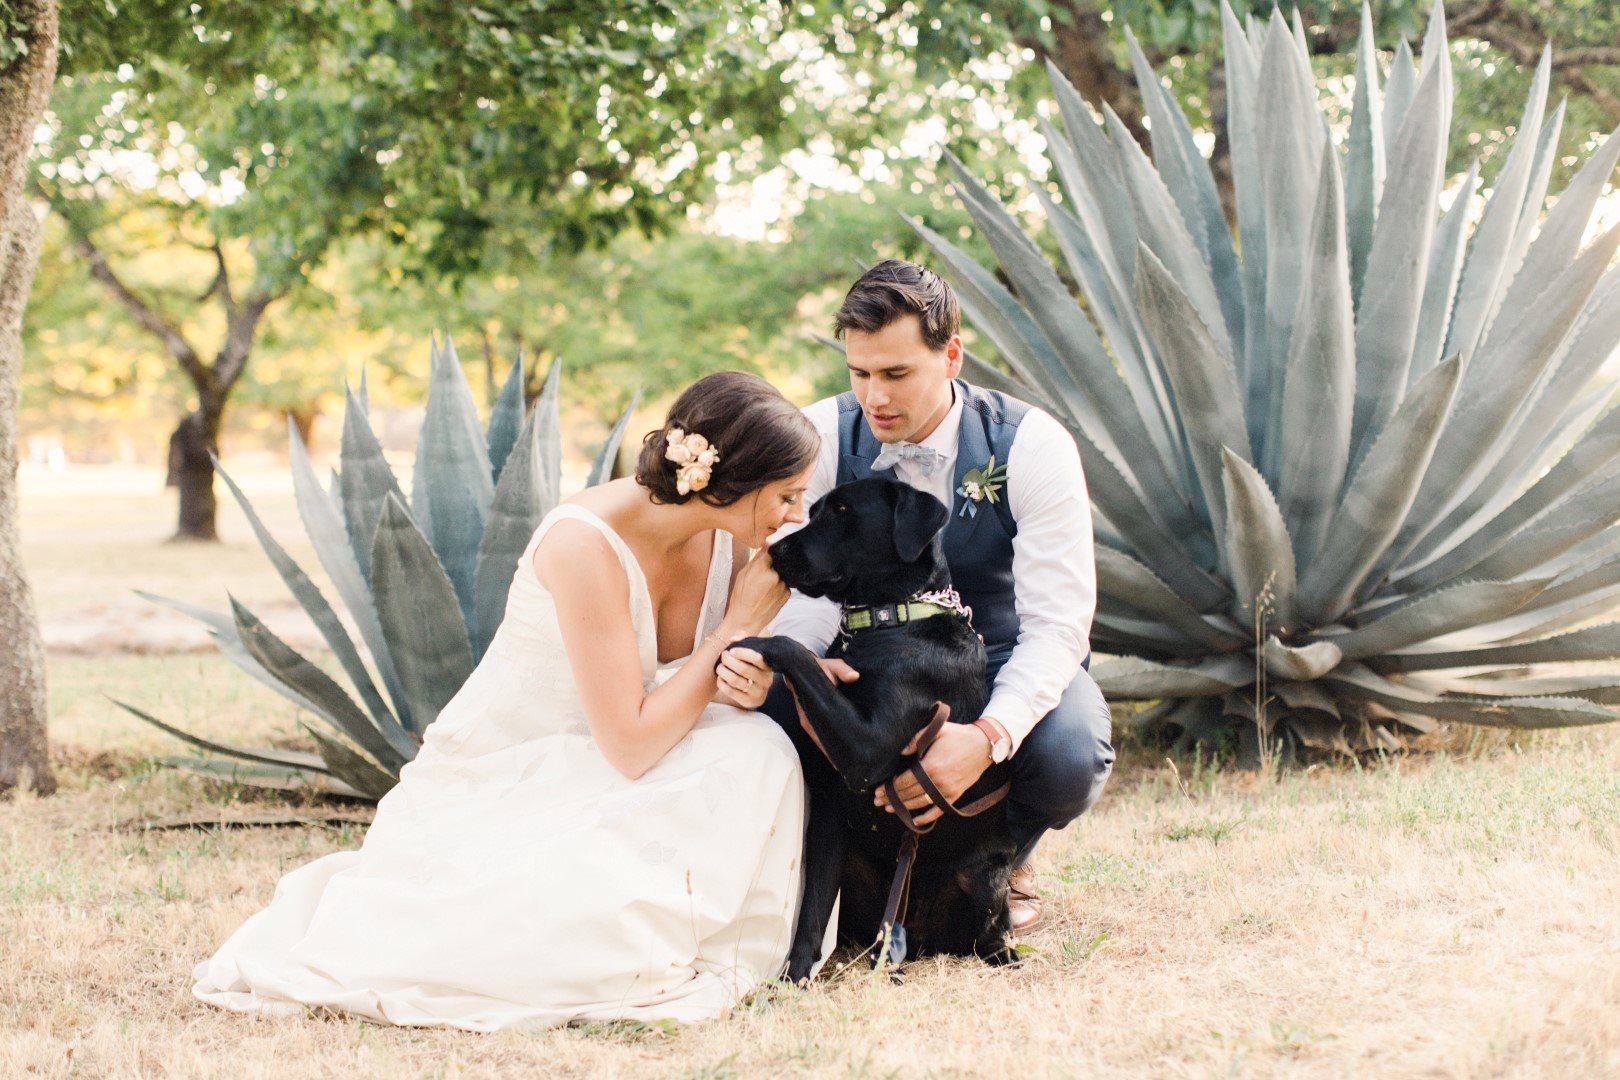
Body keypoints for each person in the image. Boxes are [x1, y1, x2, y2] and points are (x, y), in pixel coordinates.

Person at [193, 372, 820, 1031]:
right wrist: (731, 630)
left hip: (620, 764)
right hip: (516, 778)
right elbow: (630, 744)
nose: (795, 517)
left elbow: (697, 680)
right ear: (726, 482)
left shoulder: (727, 537)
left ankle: (675, 930)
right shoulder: (584, 545)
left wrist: (747, 676)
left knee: (757, 748)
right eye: (786, 496)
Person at [765, 259, 1113, 934]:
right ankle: (815, 887)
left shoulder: (1031, 445)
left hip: (998, 664)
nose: (874, 397)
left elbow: (1059, 626)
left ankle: (996, 863)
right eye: (859, 374)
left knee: (1070, 753)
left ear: (951, 356)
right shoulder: (822, 437)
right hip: (871, 668)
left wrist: (986, 738)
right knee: (764, 710)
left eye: (896, 374)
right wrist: (813, 675)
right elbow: (804, 590)